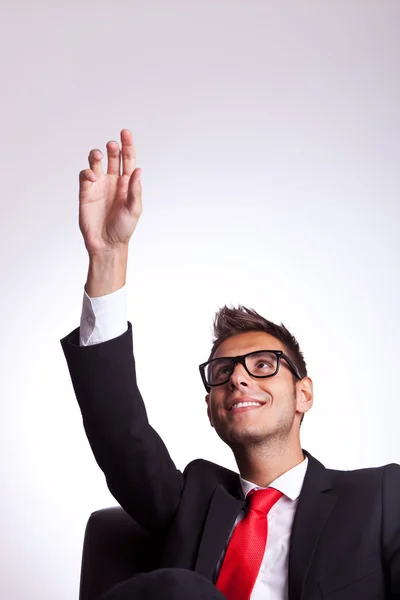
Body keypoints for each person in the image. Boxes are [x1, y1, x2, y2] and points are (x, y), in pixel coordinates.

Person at [61, 129, 400, 600]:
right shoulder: (192, 502)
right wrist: (108, 257)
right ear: (211, 406)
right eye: (222, 372)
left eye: (263, 364)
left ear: (304, 393)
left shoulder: (380, 497)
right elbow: (120, 432)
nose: (238, 376)